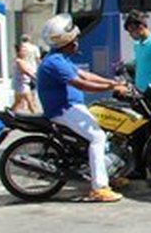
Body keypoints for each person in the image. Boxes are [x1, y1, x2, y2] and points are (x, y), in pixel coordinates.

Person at [37, 13, 126, 203]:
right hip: (63, 109)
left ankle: (108, 175)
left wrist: (112, 81)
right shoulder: (55, 62)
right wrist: (112, 87)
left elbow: (86, 75)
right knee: (97, 137)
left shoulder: (61, 59)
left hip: (72, 107)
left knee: (104, 135)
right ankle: (99, 188)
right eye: (75, 38)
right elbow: (82, 84)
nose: (78, 41)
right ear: (66, 40)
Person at [10, 43, 38, 114]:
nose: (25, 53)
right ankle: (35, 115)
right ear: (18, 52)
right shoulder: (19, 61)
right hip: (22, 84)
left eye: (25, 51)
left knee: (18, 102)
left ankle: (9, 113)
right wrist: (36, 78)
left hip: (21, 84)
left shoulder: (21, 60)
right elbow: (25, 71)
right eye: (23, 51)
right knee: (30, 102)